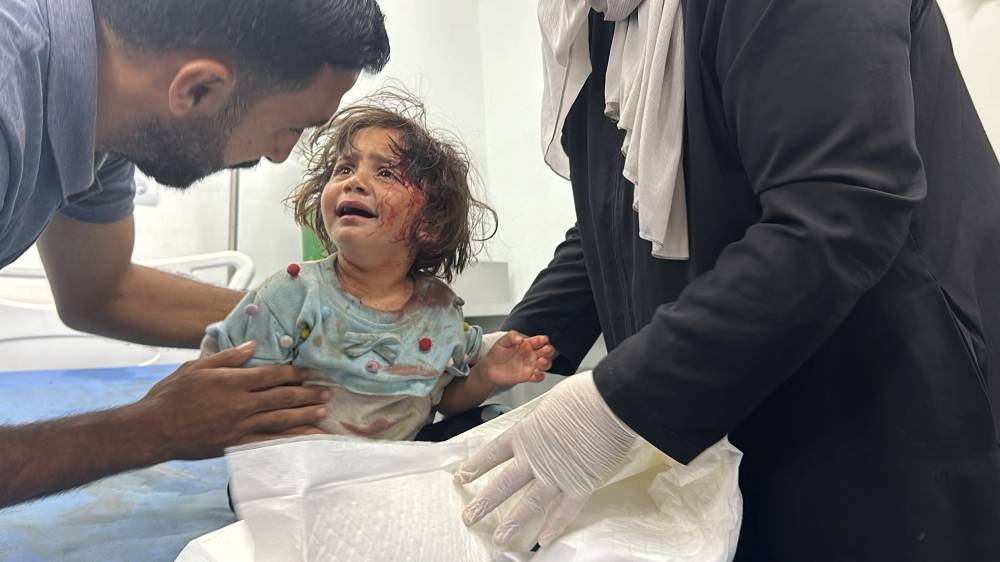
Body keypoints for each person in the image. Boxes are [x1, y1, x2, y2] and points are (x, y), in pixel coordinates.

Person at [456, 0, 1000, 560]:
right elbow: (622, 213)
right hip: (726, 410)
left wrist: (622, 398)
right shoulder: (596, 23)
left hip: (881, 405)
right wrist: (509, 345)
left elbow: (838, 207)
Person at [0, 0, 389, 508]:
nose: (279, 153)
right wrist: (151, 428)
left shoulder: (109, 122)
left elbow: (101, 291)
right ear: (198, 88)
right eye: (294, 127)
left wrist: (307, 315)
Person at [202, 92, 557, 440]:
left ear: (429, 224)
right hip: (298, 473)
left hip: (394, 473)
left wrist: (487, 376)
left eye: (386, 173)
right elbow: (224, 382)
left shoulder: (438, 309)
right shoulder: (292, 294)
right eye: (344, 168)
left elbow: (444, 400)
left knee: (499, 424)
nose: (353, 181)